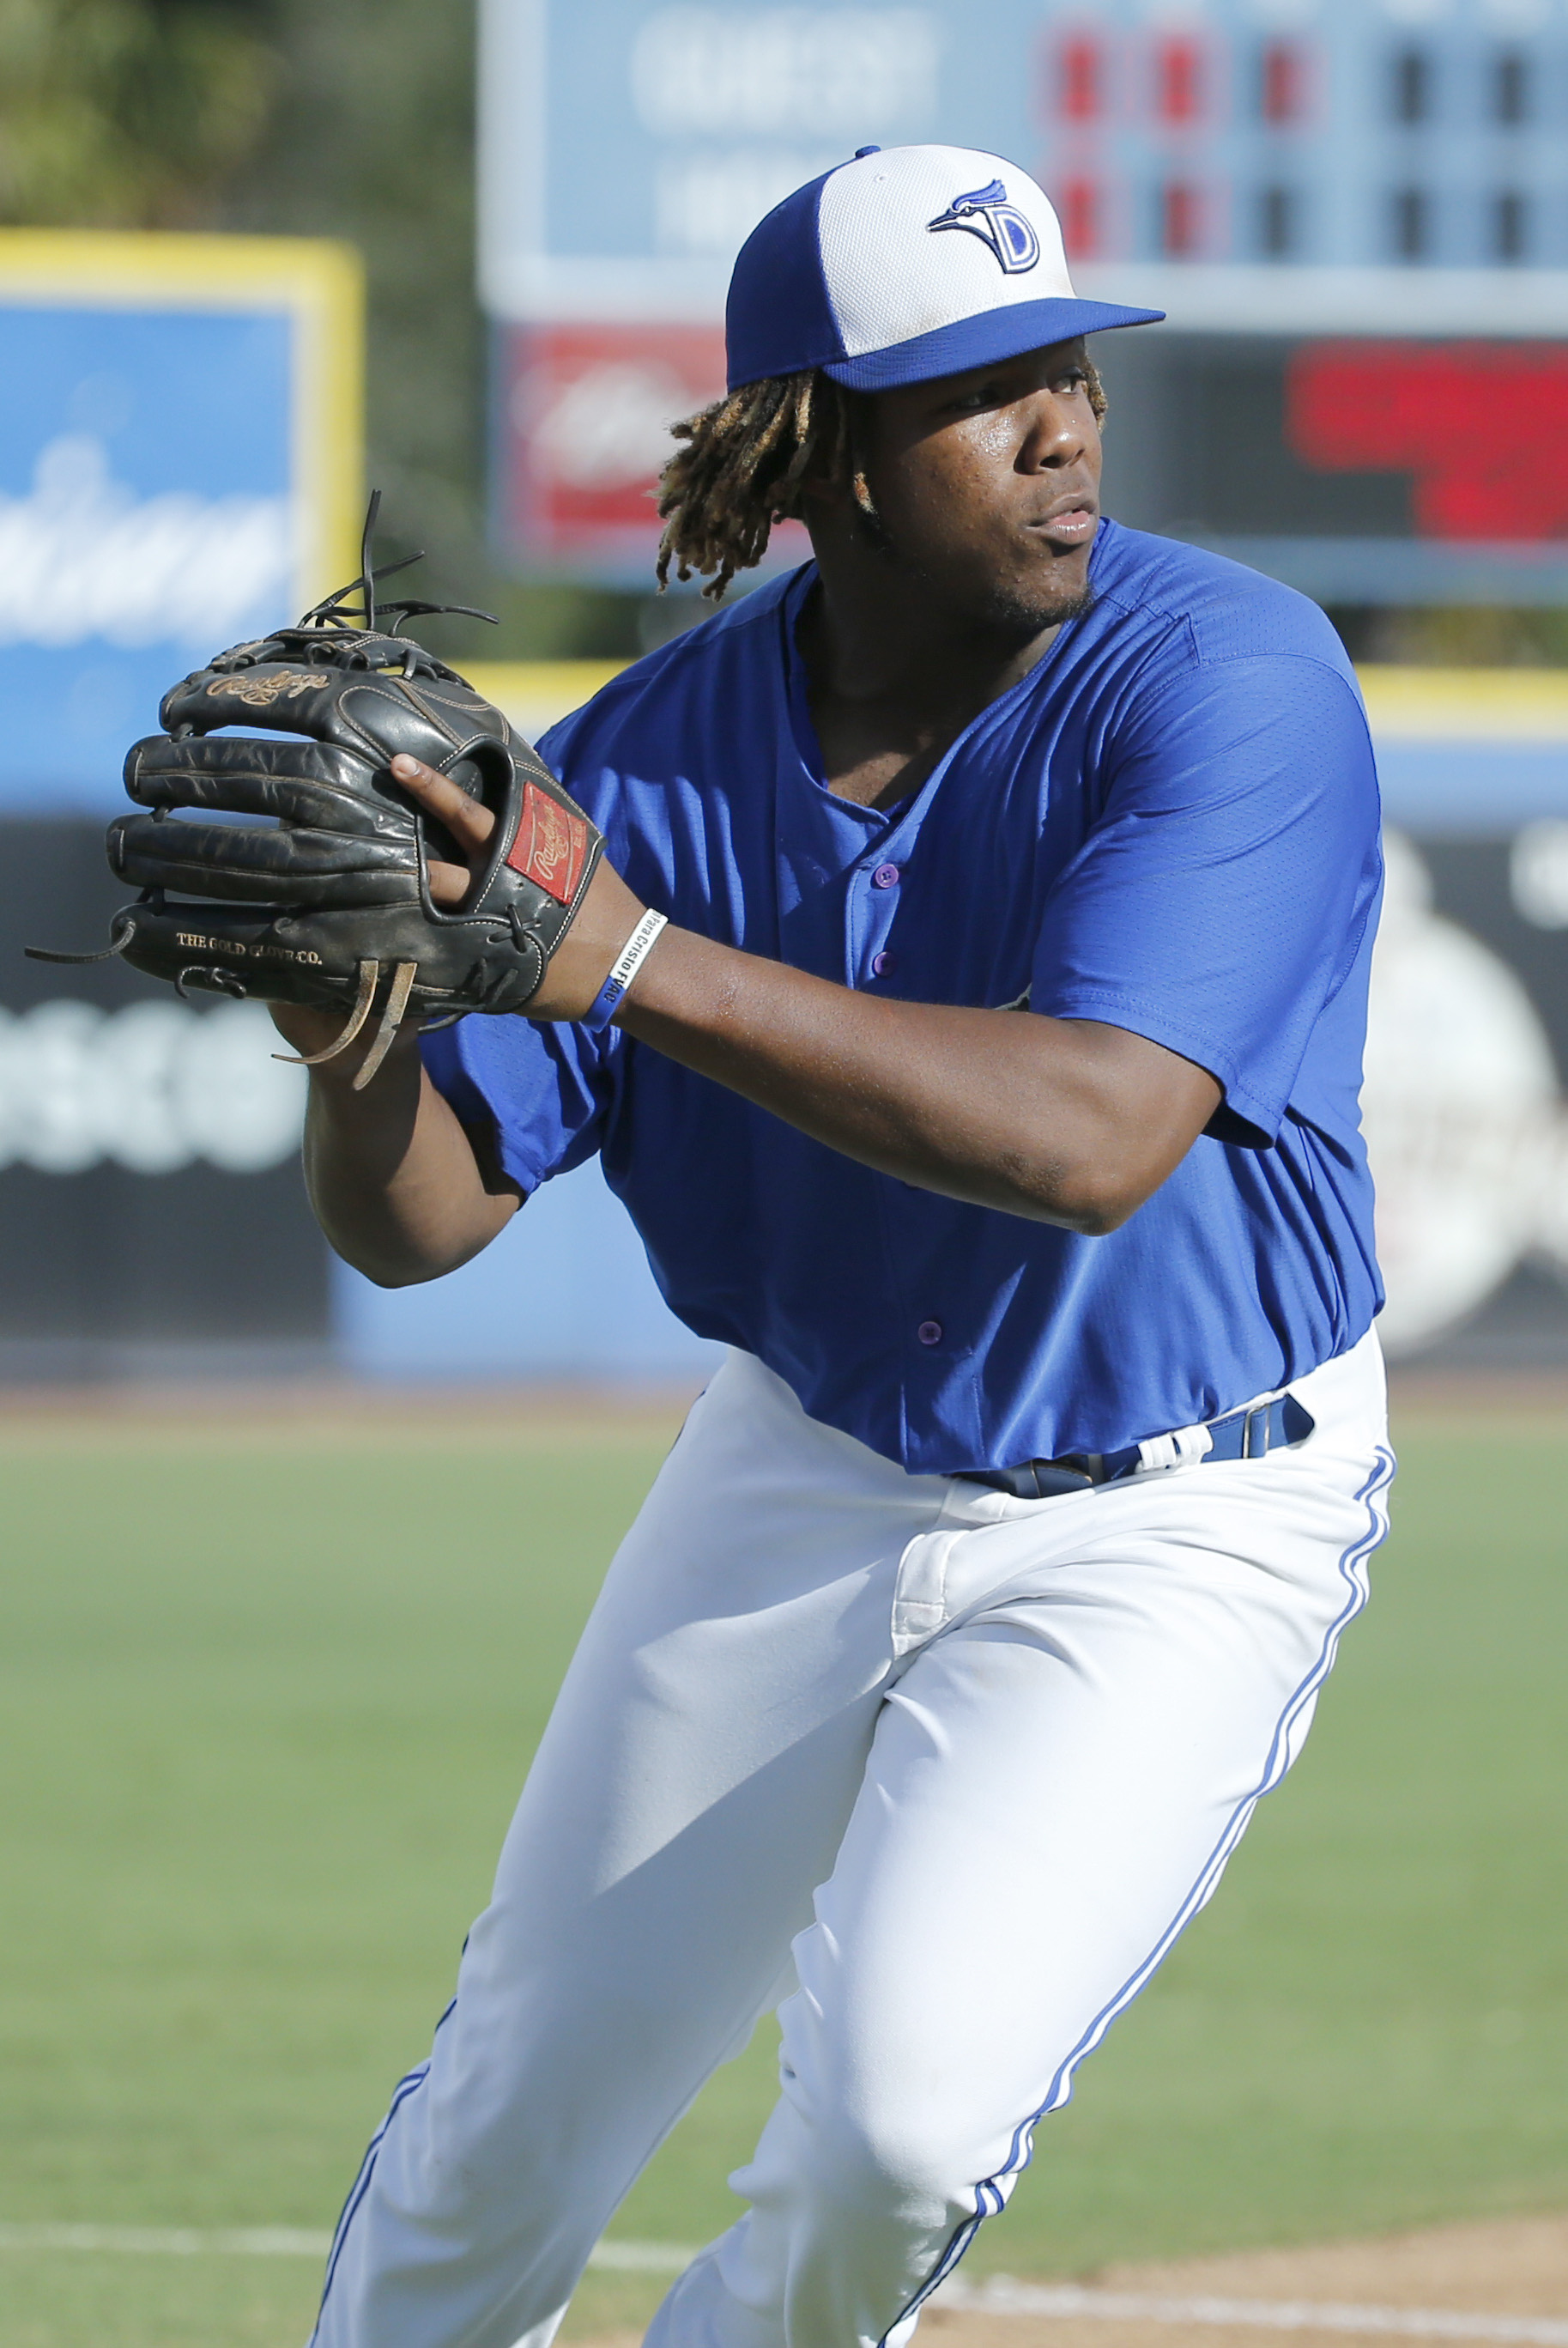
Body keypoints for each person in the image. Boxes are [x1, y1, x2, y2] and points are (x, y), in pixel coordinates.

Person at [286, 144, 1392, 2348]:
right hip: (808, 1464)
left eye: (1069, 369)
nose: (1066, 425)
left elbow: (1086, 1140)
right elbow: (417, 1222)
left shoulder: (1227, 681)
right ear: (834, 455)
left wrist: (625, 960)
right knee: (508, 2114)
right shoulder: (653, 763)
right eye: (991, 390)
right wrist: (353, 1033)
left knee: (893, 2133)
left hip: (1175, 1514)